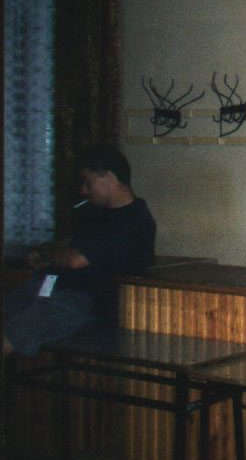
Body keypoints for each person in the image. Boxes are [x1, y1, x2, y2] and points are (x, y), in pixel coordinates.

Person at [3, 145, 157, 357]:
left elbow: (75, 260)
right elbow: (65, 243)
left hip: (82, 303)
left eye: (88, 182)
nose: (84, 191)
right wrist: (43, 251)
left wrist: (48, 254)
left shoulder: (133, 219)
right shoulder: (96, 213)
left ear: (108, 177)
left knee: (14, 331)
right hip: (50, 290)